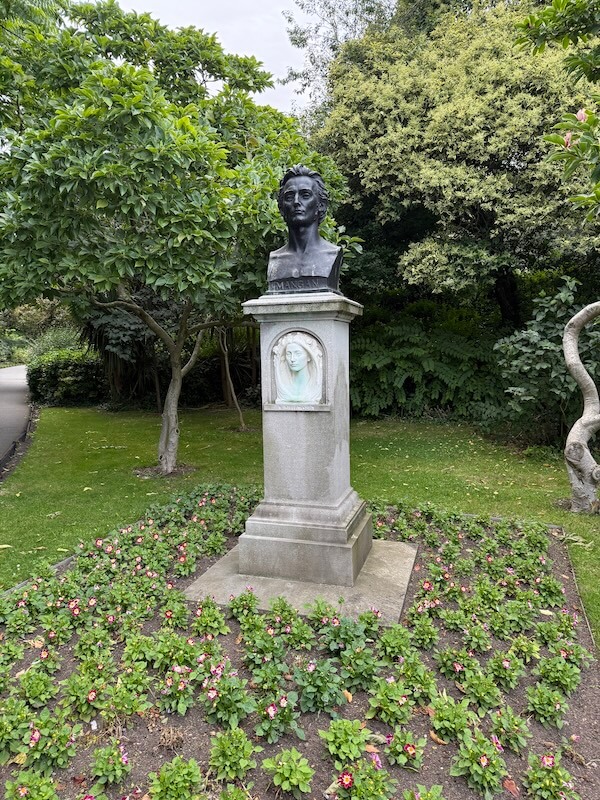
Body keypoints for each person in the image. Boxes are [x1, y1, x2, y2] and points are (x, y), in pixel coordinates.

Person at [267, 165, 342, 294]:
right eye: (289, 197)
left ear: (321, 205)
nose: (296, 201)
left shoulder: (331, 255)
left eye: (305, 195)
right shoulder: (275, 259)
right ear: (282, 208)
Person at [273, 332, 323, 404]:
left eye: (298, 353)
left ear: (309, 356)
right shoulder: (285, 386)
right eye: (288, 354)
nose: (292, 359)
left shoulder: (313, 385)